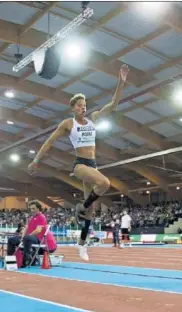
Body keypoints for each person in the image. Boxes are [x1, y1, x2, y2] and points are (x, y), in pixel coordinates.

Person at [27, 64, 129, 261]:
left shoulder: (93, 119)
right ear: (73, 108)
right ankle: (80, 207)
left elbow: (114, 103)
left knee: (90, 213)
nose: (84, 107)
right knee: (104, 184)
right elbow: (49, 141)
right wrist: (36, 161)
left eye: (85, 104)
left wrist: (121, 82)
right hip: (80, 164)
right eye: (80, 105)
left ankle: (81, 245)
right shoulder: (68, 124)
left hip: (93, 164)